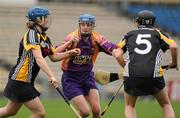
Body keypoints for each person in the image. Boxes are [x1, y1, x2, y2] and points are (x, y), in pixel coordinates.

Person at [0, 6, 80, 118]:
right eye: (45, 18)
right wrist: (52, 76)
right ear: (38, 19)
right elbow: (39, 58)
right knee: (39, 113)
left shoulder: (44, 38)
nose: (47, 20)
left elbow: (54, 56)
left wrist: (70, 52)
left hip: (25, 80)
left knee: (10, 111)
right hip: (20, 79)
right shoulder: (31, 35)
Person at [113, 10, 178, 118]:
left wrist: (126, 67)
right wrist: (174, 63)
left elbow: (117, 54)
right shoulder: (158, 33)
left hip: (132, 75)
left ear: (137, 22)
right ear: (153, 22)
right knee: (166, 105)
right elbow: (174, 47)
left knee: (130, 106)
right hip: (153, 75)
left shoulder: (129, 35)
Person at [56, 14, 116, 118]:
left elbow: (113, 48)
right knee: (84, 112)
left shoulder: (97, 38)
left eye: (88, 25)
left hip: (88, 77)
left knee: (97, 111)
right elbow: (55, 52)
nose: (85, 27)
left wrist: (119, 53)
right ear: (79, 25)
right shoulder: (72, 38)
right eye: (83, 24)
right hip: (71, 79)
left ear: (93, 26)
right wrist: (69, 46)